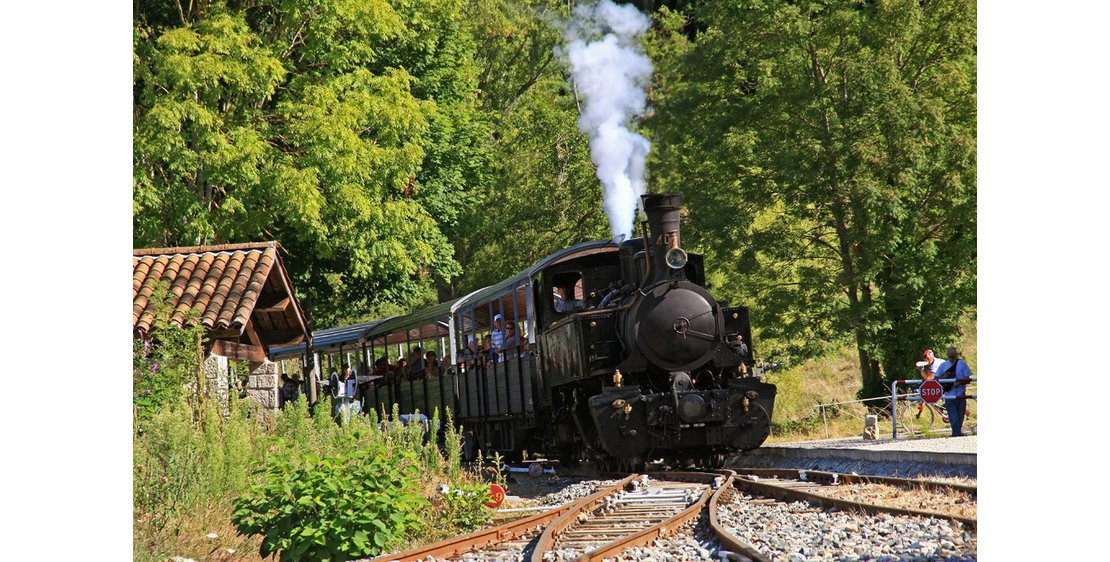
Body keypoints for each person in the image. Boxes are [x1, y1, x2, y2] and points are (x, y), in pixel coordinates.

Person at [935, 346, 973, 437]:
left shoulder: (962, 364)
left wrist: (959, 382)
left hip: (961, 395)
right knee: (953, 417)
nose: (951, 358)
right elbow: (936, 378)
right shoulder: (943, 365)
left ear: (956, 355)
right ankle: (956, 435)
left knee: (960, 417)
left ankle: (957, 434)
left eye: (953, 356)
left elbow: (968, 379)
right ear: (947, 356)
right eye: (950, 357)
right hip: (948, 396)